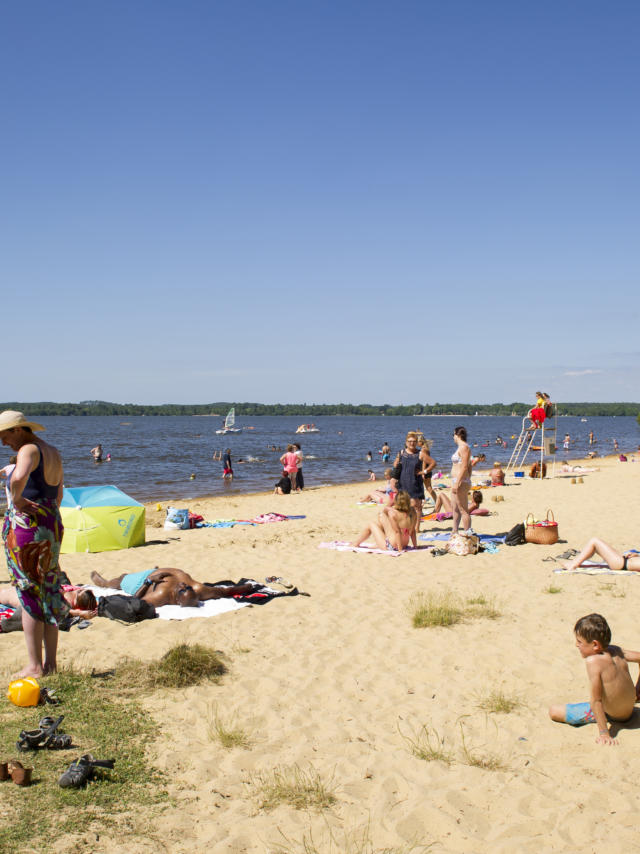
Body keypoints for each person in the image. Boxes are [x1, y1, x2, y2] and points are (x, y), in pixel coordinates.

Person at [0, 410, 66, 677]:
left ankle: (34, 666)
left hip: (27, 528)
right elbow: (59, 491)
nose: (3, 443)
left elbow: (19, 478)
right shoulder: (52, 451)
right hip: (51, 522)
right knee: (49, 590)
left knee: (29, 593)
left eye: (3, 436)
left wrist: (16, 502)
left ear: (18, 430)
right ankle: (50, 664)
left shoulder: (28, 448)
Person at [548, 614, 640, 745]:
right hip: (629, 710)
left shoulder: (593, 662)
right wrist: (638, 688)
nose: (576, 645)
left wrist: (604, 733)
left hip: (614, 715)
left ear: (595, 645)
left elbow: (596, 701)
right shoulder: (617, 650)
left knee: (554, 711)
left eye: (580, 642)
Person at [89, 567, 257, 608]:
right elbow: (224, 591)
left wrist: (149, 582)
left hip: (142, 581)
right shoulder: (198, 589)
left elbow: (134, 601)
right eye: (188, 588)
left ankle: (103, 582)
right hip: (157, 571)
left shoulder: (161, 596)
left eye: (182, 590)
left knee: (122, 578)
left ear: (176, 599)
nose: (184, 585)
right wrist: (247, 587)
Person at [351, 491, 417, 552]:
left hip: (393, 546)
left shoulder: (393, 513)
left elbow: (397, 532)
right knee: (381, 515)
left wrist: (399, 549)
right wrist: (415, 546)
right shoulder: (413, 512)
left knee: (371, 524)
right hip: (404, 544)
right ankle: (378, 543)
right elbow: (413, 531)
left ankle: (355, 543)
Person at [0, 584, 97, 620]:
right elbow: (60, 609)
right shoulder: (66, 602)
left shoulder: (68, 591)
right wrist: (79, 613)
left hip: (22, 593)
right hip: (21, 597)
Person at [394, 432, 425, 536]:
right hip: (403, 481)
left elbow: (432, 463)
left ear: (416, 442)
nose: (412, 443)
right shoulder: (402, 452)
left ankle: (417, 528)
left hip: (415, 482)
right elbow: (395, 465)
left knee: (417, 507)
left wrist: (423, 472)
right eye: (410, 441)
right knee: (403, 506)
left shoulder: (420, 453)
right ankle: (405, 526)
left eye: (414, 441)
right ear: (406, 442)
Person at [559, 538, 640, 573]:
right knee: (597, 546)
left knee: (594, 541)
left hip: (622, 563)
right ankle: (576, 562)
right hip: (623, 561)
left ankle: (573, 565)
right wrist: (636, 555)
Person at [450, 426, 472, 536]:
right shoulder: (460, 447)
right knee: (455, 508)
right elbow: (469, 466)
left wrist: (458, 482)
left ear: (457, 435)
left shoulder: (464, 447)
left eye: (453, 435)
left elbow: (464, 467)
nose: (453, 437)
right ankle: (455, 530)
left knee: (463, 509)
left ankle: (468, 532)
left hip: (460, 482)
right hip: (457, 481)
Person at [418, 438, 437, 506]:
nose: (417, 443)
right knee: (428, 487)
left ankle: (436, 501)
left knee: (427, 487)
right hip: (428, 470)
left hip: (425, 470)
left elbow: (424, 461)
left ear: (421, 442)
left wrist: (423, 472)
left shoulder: (423, 449)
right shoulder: (426, 448)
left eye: (417, 441)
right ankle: (436, 501)